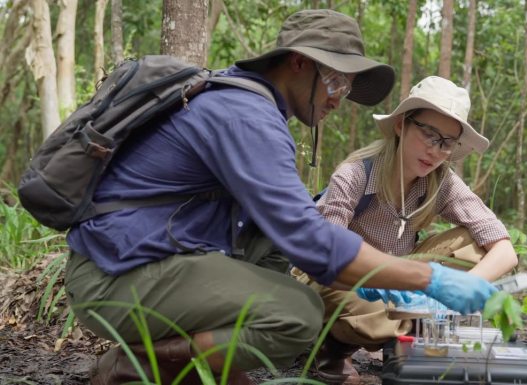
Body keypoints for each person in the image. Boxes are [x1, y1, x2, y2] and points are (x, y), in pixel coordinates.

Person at [64, 10, 497, 385]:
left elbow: (280, 233)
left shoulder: (250, 109)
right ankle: (135, 365)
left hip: (152, 257)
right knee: (298, 317)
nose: (337, 99)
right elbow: (314, 243)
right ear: (297, 64)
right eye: (334, 82)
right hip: (117, 276)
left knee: (274, 262)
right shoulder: (245, 118)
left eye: (346, 88)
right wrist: (431, 280)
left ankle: (207, 364)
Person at [293, 76, 518, 384]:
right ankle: (329, 345)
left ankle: (412, 335)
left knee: (474, 245)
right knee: (365, 303)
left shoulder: (442, 182)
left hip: (401, 279)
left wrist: (457, 291)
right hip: (341, 279)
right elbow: (325, 254)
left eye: (447, 142)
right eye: (429, 134)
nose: (436, 150)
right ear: (401, 125)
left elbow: (504, 248)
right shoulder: (356, 174)